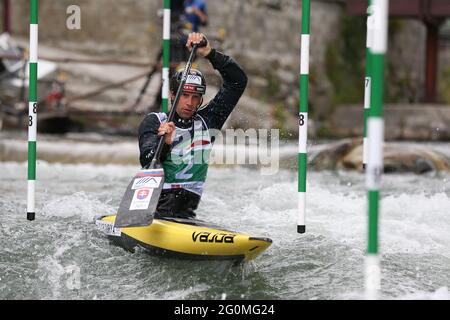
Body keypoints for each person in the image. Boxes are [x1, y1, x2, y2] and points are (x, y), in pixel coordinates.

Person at [138, 32, 247, 219]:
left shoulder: (209, 121)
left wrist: (210, 53)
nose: (189, 102)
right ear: (173, 95)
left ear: (201, 100)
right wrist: (164, 144)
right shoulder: (155, 121)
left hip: (186, 216)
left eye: (195, 97)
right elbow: (147, 161)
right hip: (154, 212)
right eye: (184, 95)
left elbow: (237, 82)